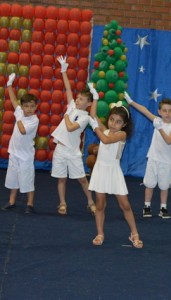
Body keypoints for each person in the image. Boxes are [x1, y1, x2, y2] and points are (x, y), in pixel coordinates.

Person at [88, 92, 143, 248]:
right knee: (100, 204)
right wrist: (95, 98)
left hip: (114, 171)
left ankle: (134, 234)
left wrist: (95, 127)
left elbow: (105, 140)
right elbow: (93, 115)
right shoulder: (105, 130)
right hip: (100, 170)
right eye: (111, 120)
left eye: (118, 122)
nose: (113, 124)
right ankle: (100, 233)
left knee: (125, 204)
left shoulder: (121, 135)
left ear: (124, 125)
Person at [51, 56, 95, 216]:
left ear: (88, 104)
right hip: (60, 149)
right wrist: (64, 70)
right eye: (78, 98)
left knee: (82, 178)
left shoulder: (84, 117)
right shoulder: (72, 106)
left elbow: (70, 128)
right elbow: (68, 88)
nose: (77, 100)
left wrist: (66, 116)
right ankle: (62, 203)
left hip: (73, 151)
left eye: (82, 99)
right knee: (61, 178)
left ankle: (91, 202)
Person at [124, 92, 171, 219]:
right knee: (149, 184)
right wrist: (131, 102)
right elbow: (145, 110)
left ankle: (163, 208)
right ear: (159, 112)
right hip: (153, 159)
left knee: (164, 186)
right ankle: (147, 206)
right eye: (164, 110)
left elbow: (169, 141)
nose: (167, 113)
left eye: (170, 111)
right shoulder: (157, 120)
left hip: (166, 162)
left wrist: (160, 129)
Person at [1, 73, 39, 214]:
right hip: (14, 153)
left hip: (26, 156)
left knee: (27, 180)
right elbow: (13, 100)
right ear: (23, 106)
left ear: (36, 107)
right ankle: (11, 201)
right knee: (13, 179)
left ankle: (30, 203)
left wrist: (18, 117)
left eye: (32, 106)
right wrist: (9, 85)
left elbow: (22, 130)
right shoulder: (20, 112)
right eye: (26, 106)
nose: (29, 109)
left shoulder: (34, 120)